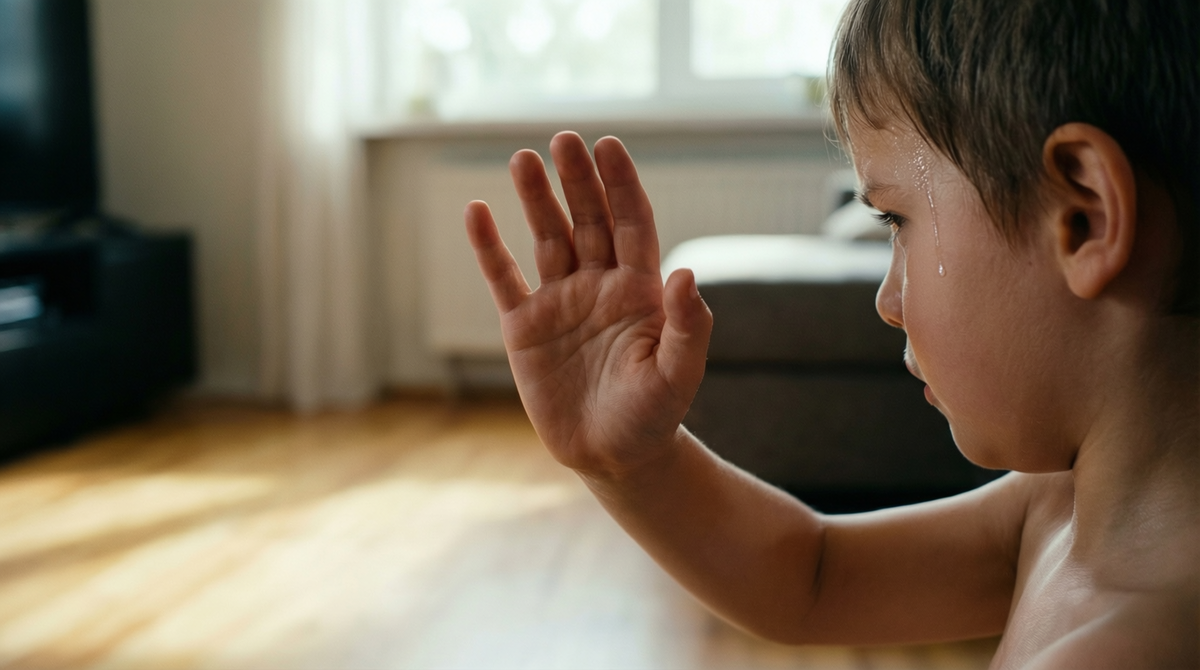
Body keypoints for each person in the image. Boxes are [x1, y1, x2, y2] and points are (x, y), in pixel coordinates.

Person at [463, 0, 1198, 666]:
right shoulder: (1058, 505)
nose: (887, 299)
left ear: (1084, 217)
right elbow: (811, 576)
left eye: (896, 221)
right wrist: (630, 463)